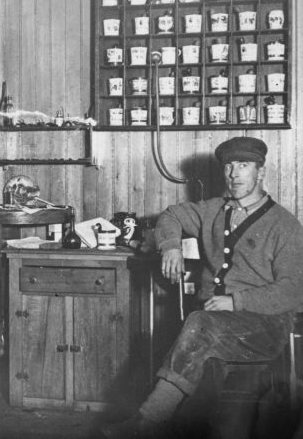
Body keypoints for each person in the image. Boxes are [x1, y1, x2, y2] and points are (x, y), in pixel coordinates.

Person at [100, 136, 303, 438]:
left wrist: (237, 301)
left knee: (199, 323)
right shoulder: (213, 210)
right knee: (201, 325)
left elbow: (293, 291)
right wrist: (170, 247)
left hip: (266, 326)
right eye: (229, 166)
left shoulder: (284, 225)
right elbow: (170, 215)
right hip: (214, 322)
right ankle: (154, 423)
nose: (234, 174)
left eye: (243, 166)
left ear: (260, 172)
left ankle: (149, 423)